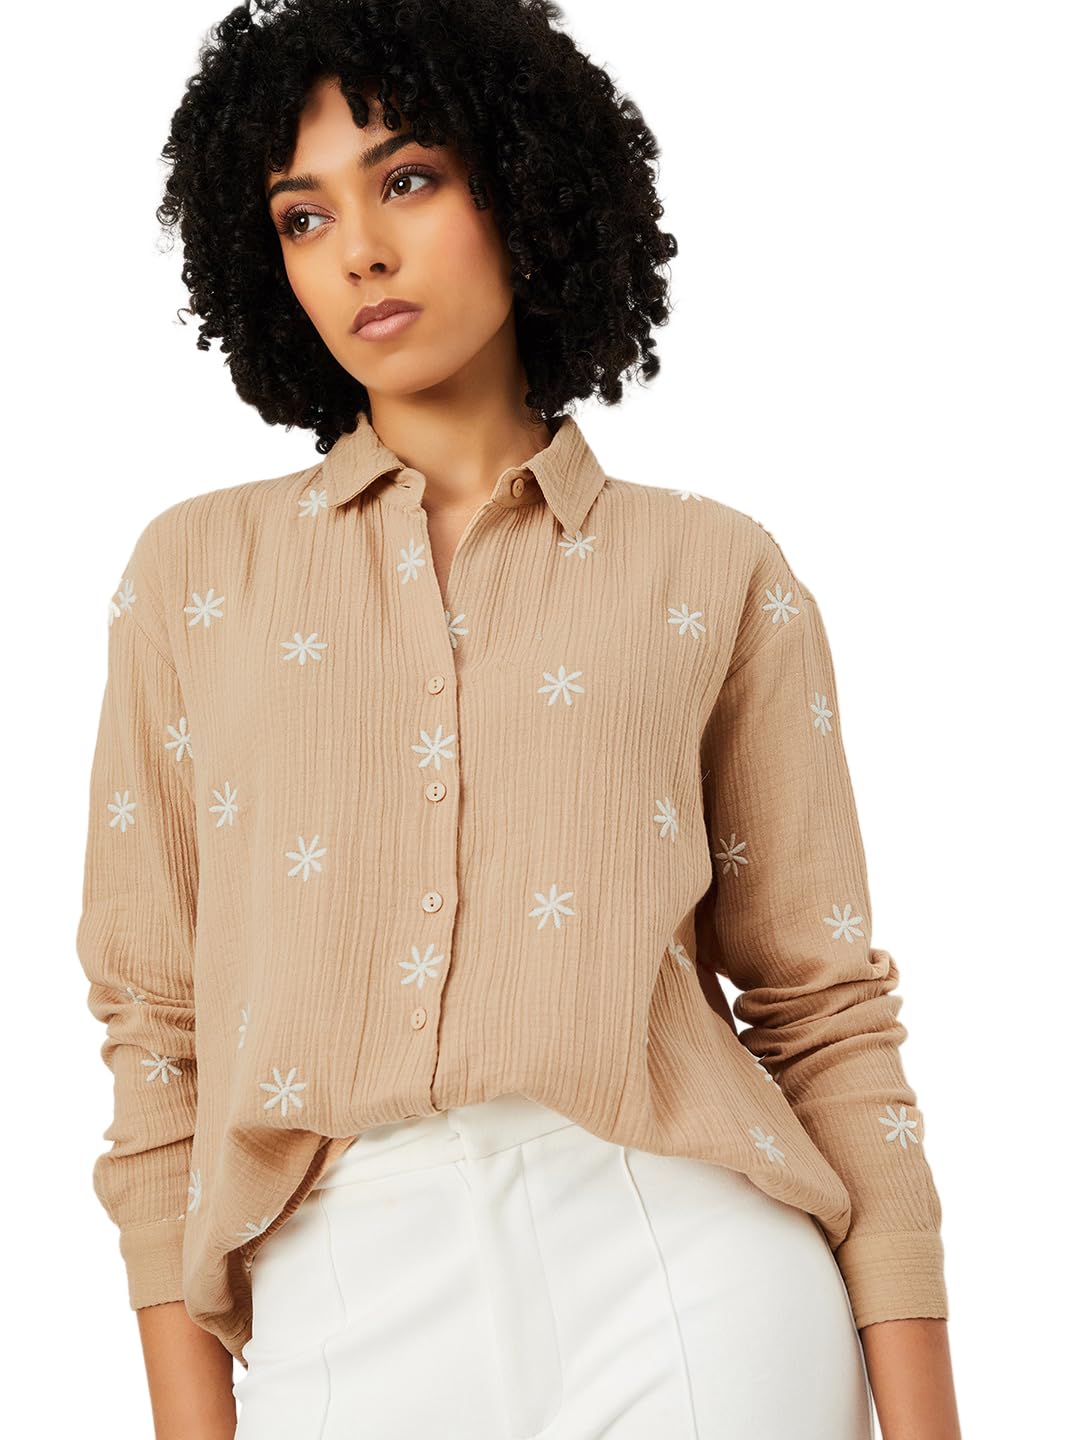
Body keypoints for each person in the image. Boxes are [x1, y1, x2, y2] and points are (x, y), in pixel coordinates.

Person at [75, 2, 961, 1437]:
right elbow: (155, 1030)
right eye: (304, 216)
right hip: (343, 1290)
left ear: (526, 187)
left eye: (408, 180)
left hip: (690, 1269)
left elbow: (825, 1013)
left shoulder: (713, 568)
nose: (360, 250)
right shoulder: (194, 577)